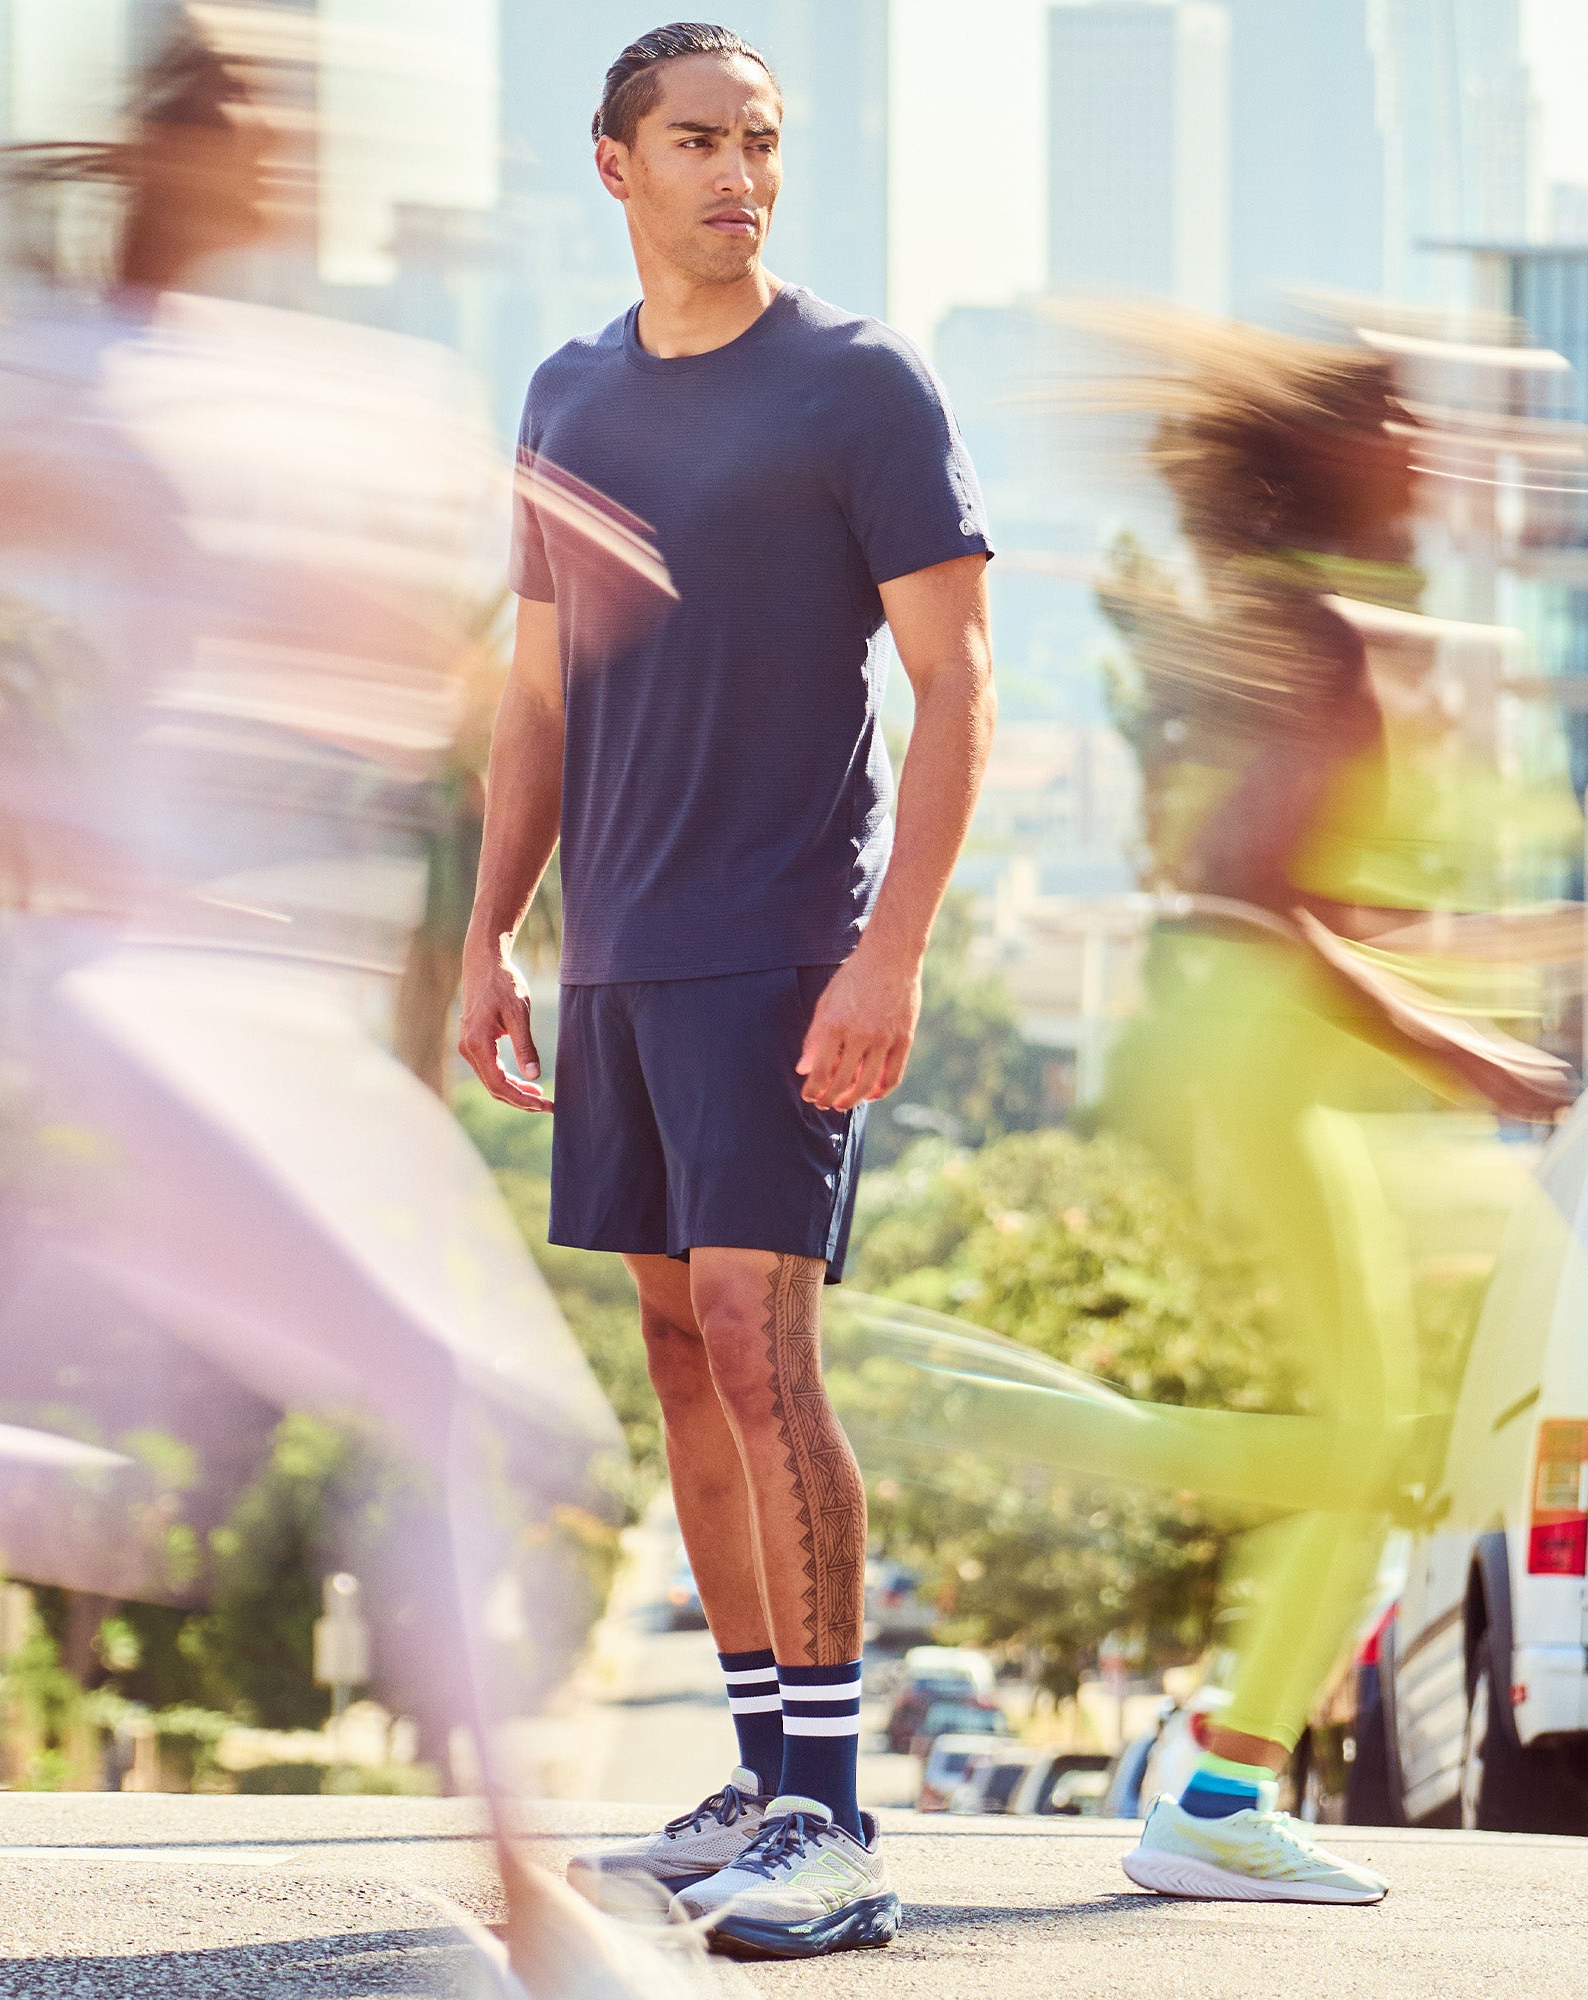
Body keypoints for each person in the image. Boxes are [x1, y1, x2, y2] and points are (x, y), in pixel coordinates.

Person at [457, 19, 994, 1961]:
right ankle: (765, 1767)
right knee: (681, 1356)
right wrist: (488, 934)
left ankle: (838, 1828)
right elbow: (534, 696)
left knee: (768, 1358)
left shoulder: (857, 387)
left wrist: (891, 949)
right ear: (614, 163)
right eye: (696, 141)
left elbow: (957, 688)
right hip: (617, 951)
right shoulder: (566, 394)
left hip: (780, 946)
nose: (735, 175)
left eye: (759, 143)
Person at [1092, 318, 1572, 1902]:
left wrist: (1498, 976)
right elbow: (1255, 901)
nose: (1424, 448)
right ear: (1333, 453)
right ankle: (1218, 1792)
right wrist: (1468, 1055)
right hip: (1255, 1042)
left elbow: (1315, 907)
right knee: (1365, 1441)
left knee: (1368, 1436)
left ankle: (1222, 1780)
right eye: (1396, 421)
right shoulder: (1316, 636)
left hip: (1262, 1039)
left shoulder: (1323, 622)